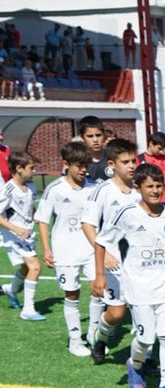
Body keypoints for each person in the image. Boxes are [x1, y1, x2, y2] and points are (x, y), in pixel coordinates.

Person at [96, 164, 165, 388]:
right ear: (138, 188)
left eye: (159, 186)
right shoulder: (127, 214)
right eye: (150, 186)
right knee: (146, 339)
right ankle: (134, 366)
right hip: (138, 286)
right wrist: (99, 275)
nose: (156, 191)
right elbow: (101, 241)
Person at [82, 138, 140, 363]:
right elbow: (87, 224)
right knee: (116, 313)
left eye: (133, 160)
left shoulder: (139, 192)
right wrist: (104, 254)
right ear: (112, 164)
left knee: (143, 310)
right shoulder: (103, 191)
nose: (132, 165)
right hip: (112, 262)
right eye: (125, 161)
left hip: (138, 263)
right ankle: (101, 338)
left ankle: (144, 354)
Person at [35, 141, 95, 356]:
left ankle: (94, 335)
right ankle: (75, 340)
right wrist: (46, 249)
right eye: (78, 165)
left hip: (91, 249)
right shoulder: (55, 189)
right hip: (65, 251)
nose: (83, 170)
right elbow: (42, 220)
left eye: (85, 165)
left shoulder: (93, 188)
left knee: (100, 289)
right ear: (66, 164)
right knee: (72, 294)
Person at [0, 151, 46, 321]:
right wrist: (15, 229)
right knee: (35, 267)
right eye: (31, 168)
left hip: (28, 233)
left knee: (26, 268)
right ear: (19, 168)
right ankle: (28, 309)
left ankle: (11, 289)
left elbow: (27, 208)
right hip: (14, 235)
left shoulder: (31, 186)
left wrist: (34, 215)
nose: (33, 171)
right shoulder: (8, 190)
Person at [138, 131, 165, 208]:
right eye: (159, 148)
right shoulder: (139, 159)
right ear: (151, 144)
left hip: (163, 199)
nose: (161, 151)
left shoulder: (164, 159)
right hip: (146, 200)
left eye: (163, 149)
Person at [78, 116, 109, 187]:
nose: (95, 140)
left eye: (98, 135)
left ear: (104, 135)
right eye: (90, 136)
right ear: (82, 138)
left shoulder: (113, 158)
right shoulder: (78, 161)